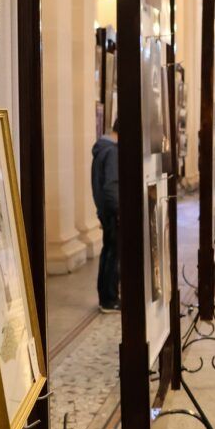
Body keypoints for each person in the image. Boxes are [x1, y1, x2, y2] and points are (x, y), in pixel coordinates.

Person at [91, 120, 120, 314]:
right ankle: (109, 299)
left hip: (106, 211)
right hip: (113, 213)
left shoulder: (103, 149)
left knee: (109, 252)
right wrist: (119, 211)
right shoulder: (112, 152)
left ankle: (106, 297)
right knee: (113, 255)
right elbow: (111, 186)